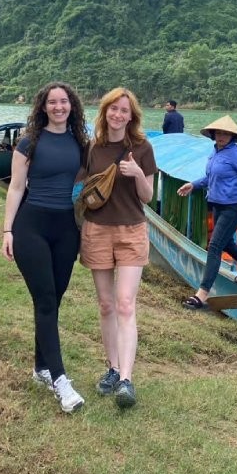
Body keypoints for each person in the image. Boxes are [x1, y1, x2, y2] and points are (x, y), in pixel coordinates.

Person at [0, 81, 90, 413]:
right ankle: (61, 382)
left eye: (63, 101)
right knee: (46, 299)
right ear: (43, 107)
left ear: (72, 106)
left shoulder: (81, 143)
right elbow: (16, 189)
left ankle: (40, 367)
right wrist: (8, 230)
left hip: (67, 229)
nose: (58, 107)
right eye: (52, 102)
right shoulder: (28, 143)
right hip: (31, 227)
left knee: (54, 298)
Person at [80, 87, 156, 409]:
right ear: (105, 112)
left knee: (126, 304)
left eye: (124, 110)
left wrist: (138, 173)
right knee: (106, 305)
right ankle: (111, 368)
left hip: (131, 231)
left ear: (132, 116)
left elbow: (148, 196)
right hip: (97, 230)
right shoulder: (92, 147)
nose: (118, 115)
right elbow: (77, 185)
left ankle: (126, 379)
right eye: (114, 109)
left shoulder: (142, 147)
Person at [177, 115, 237, 309]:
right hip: (217, 205)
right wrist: (193, 185)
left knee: (215, 246)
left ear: (232, 136)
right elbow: (211, 178)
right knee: (226, 243)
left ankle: (202, 293)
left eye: (226, 133)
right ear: (213, 134)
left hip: (234, 207)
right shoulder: (215, 153)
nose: (221, 136)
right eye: (218, 132)